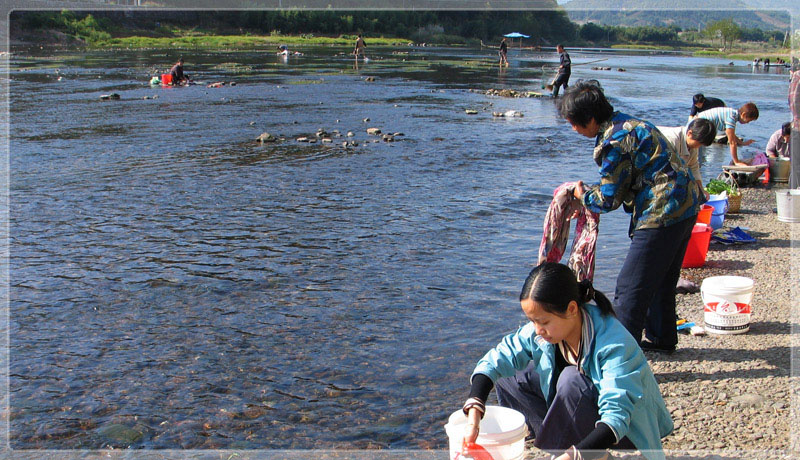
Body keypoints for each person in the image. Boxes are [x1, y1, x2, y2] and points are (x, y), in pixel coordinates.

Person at [461, 262, 673, 460]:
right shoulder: (544, 331)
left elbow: (616, 419)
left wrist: (573, 456)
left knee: (572, 381)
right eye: (532, 321)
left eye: (543, 321)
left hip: (625, 430)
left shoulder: (613, 345)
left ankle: (586, 453)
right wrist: (475, 410)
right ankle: (559, 444)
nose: (537, 330)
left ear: (571, 309)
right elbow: (497, 359)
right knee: (510, 377)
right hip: (582, 414)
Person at [558, 80, 701, 353]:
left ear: (590, 119)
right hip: (687, 204)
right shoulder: (628, 123)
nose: (573, 129)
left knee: (629, 287)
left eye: (574, 123)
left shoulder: (613, 141)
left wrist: (581, 196)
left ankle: (622, 356)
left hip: (663, 211)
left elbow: (608, 199)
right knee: (661, 279)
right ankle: (661, 339)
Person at [657, 118, 718, 201]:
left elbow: (693, 167)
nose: (698, 147)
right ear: (689, 133)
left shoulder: (692, 142)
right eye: (699, 143)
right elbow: (667, 170)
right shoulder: (672, 140)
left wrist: (701, 190)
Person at [694, 103, 759, 166]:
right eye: (748, 120)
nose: (747, 123)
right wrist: (736, 162)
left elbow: (731, 135)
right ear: (743, 114)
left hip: (697, 123)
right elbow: (732, 142)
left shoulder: (732, 113)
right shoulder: (731, 117)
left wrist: (742, 143)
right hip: (698, 126)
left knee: (697, 159)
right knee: (696, 160)